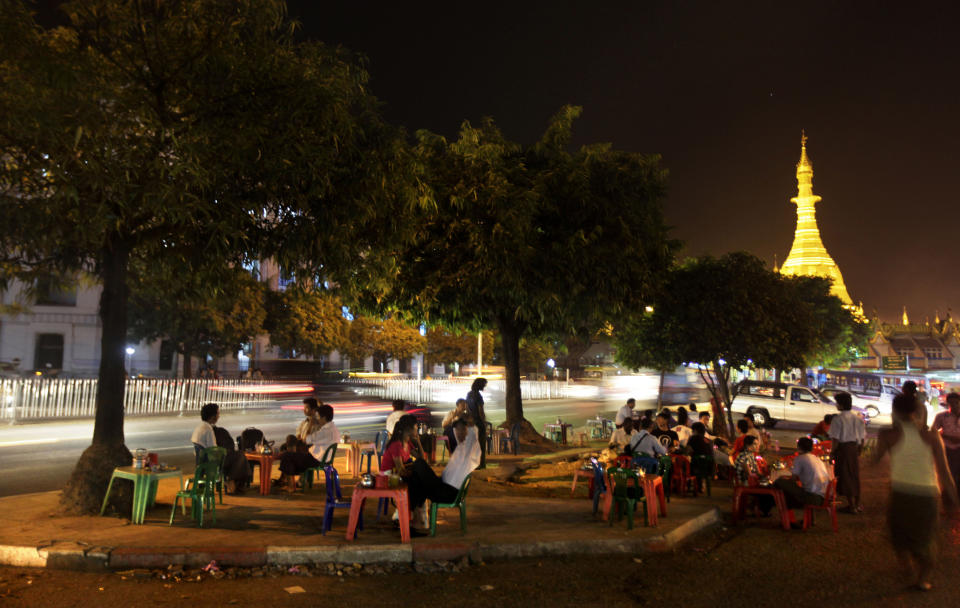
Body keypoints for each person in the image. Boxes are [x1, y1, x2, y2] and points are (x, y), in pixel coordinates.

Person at [874, 394, 959, 591]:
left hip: (900, 492)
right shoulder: (931, 436)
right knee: (925, 539)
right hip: (927, 494)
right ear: (916, 411)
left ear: (895, 411)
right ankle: (923, 579)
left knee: (899, 537)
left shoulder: (888, 434)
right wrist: (954, 499)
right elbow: (945, 473)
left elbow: (874, 460)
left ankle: (908, 569)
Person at [404, 418, 482, 533]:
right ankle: (415, 521)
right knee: (415, 479)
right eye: (458, 430)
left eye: (463, 430)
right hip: (442, 485)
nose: (460, 433)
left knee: (419, 464)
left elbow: (473, 436)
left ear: (468, 430)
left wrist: (470, 424)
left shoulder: (471, 450)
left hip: (448, 493)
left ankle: (414, 519)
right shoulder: (460, 448)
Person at [191, 403, 252, 494]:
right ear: (213, 416)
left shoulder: (199, 427)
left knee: (236, 456)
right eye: (218, 413)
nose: (219, 416)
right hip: (211, 462)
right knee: (240, 455)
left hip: (201, 461)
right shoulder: (208, 429)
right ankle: (231, 481)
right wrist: (225, 452)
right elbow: (214, 450)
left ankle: (231, 480)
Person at [773, 436, 830, 528]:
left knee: (779, 482)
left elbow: (793, 479)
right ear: (812, 448)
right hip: (825, 496)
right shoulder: (817, 459)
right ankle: (805, 520)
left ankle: (788, 521)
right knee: (788, 491)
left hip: (813, 497)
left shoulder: (800, 458)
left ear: (798, 447)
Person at [279, 403, 338, 489]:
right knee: (289, 454)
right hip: (322, 458)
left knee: (286, 455)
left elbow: (307, 439)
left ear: (324, 418)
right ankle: (292, 483)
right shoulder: (333, 429)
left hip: (316, 459)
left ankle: (291, 485)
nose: (317, 419)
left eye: (318, 417)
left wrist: (311, 423)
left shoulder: (325, 431)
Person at [829, 392, 866, 513]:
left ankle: (852, 506)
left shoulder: (838, 419)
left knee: (845, 476)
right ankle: (857, 504)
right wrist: (859, 450)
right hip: (854, 449)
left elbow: (835, 439)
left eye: (837, 403)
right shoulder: (858, 419)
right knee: (854, 475)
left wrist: (832, 453)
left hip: (843, 449)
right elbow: (862, 438)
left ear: (841, 404)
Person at [734, 436, 773, 515]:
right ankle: (761, 510)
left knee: (772, 487)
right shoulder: (743, 456)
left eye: (757, 444)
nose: (757, 446)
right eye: (755, 444)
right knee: (770, 492)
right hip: (745, 483)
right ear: (748, 446)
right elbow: (749, 474)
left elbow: (757, 472)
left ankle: (760, 509)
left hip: (751, 481)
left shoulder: (751, 455)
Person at [931, 392, 960, 496]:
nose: (954, 405)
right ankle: (949, 494)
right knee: (949, 472)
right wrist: (945, 437)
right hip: (946, 448)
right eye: (951, 403)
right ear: (948, 403)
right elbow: (933, 431)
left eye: (956, 403)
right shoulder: (942, 416)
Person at [466, 378, 488, 469]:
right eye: (484, 384)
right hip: (478, 423)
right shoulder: (478, 396)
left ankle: (473, 464)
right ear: (480, 385)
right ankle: (481, 464)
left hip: (471, 423)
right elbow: (481, 412)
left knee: (473, 445)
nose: (485, 386)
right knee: (481, 444)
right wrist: (484, 422)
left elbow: (467, 408)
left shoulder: (469, 394)